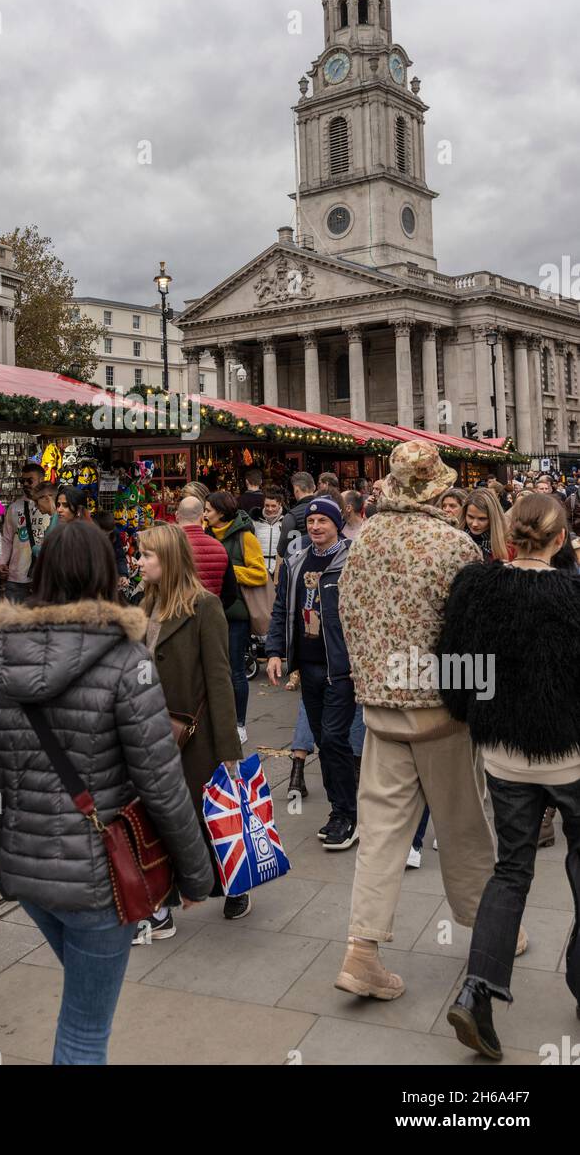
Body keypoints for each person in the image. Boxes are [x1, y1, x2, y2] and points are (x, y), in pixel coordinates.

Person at [0, 521, 214, 1065]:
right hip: (100, 878)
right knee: (84, 1031)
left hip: (30, 876)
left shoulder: (1, 659)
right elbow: (162, 782)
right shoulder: (128, 661)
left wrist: (4, 866)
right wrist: (195, 873)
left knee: (83, 1008)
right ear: (106, 572)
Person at [335, 441, 497, 1001]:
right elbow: (476, 630)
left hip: (381, 708)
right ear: (436, 490)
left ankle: (363, 951)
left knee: (379, 833)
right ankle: (492, 932)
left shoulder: (362, 543)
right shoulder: (453, 546)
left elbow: (344, 616)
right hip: (441, 709)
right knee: (464, 825)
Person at [438, 494, 580, 1060]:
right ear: (559, 537)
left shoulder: (477, 586)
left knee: (512, 869)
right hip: (570, 753)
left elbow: (455, 666)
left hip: (504, 755)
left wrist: (478, 713)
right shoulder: (573, 594)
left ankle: (477, 990)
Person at [136, 523, 245, 927]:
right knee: (155, 818)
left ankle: (235, 882)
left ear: (169, 559)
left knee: (206, 819)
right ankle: (160, 907)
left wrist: (229, 750)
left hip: (192, 736)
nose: (140, 561)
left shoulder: (205, 606)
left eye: (147, 555)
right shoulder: (141, 605)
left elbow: (220, 680)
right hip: (150, 734)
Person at [266, 496, 358, 849]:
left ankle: (344, 814)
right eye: (312, 521)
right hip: (309, 666)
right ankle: (346, 806)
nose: (316, 527)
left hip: (340, 667)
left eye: (323, 521)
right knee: (324, 740)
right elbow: (280, 610)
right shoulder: (296, 561)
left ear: (337, 523)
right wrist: (275, 651)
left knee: (334, 738)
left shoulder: (352, 558)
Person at [203, 491, 269, 744]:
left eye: (209, 510)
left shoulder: (245, 537)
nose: (205, 514)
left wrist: (227, 569)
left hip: (236, 614)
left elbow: (259, 574)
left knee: (235, 671)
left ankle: (239, 723)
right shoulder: (206, 534)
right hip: (210, 611)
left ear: (221, 511)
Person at [175, 495, 237, 611]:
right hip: (210, 618)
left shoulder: (167, 545)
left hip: (175, 617)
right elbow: (231, 593)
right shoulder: (220, 548)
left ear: (177, 516)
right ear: (202, 518)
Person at [0, 462, 46, 603]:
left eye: (29, 480)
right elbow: (6, 539)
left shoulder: (52, 509)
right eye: (22, 481)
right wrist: (1, 563)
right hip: (16, 577)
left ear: (41, 480)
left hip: (43, 577)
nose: (25, 484)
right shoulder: (14, 508)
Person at [462, 488, 514, 562]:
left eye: (482, 519)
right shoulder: (453, 541)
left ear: (493, 519)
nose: (474, 524)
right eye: (470, 517)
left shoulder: (509, 547)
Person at [277, 471, 317, 554]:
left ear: (296, 490)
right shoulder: (326, 511)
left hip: (299, 563)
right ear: (314, 487)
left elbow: (281, 550)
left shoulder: (291, 516)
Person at [252, 485, 285, 574]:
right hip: (259, 569)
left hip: (279, 570)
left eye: (273, 506)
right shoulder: (255, 520)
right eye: (267, 505)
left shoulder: (286, 521)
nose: (270, 509)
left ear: (280, 504)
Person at [93, 508, 130, 586]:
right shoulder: (86, 539)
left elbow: (119, 557)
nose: (107, 537)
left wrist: (122, 574)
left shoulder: (114, 534)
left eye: (108, 534)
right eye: (103, 534)